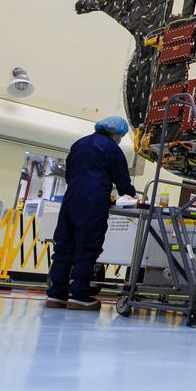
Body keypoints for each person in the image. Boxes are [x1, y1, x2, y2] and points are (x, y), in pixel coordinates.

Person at [46, 116, 137, 310]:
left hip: (71, 198)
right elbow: (122, 179)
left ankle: (56, 295)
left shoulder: (79, 144)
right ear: (117, 133)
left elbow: (69, 172)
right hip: (93, 201)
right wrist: (130, 195)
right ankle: (79, 295)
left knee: (64, 247)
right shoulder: (112, 148)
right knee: (87, 247)